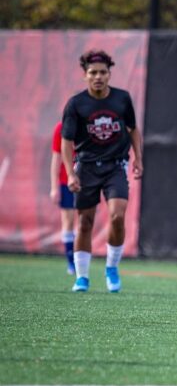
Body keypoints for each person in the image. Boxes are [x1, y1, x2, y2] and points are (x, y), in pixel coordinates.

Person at [61, 49, 143, 293]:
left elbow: (133, 129)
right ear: (85, 75)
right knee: (84, 222)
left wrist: (138, 158)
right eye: (93, 72)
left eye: (103, 72)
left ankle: (111, 267)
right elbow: (67, 142)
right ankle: (82, 277)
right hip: (86, 167)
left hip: (115, 166)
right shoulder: (76, 104)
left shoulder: (122, 99)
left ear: (109, 74)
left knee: (117, 216)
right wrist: (71, 173)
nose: (98, 77)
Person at [50, 121, 76, 275]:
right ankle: (71, 262)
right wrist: (54, 187)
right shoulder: (61, 128)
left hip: (86, 180)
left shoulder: (88, 126)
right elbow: (56, 158)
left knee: (85, 219)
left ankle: (80, 259)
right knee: (68, 220)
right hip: (66, 181)